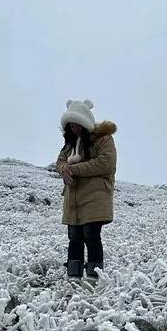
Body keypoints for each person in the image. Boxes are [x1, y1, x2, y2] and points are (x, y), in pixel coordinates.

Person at [55, 99, 117, 280]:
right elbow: (60, 161)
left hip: (95, 197)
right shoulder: (70, 144)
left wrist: (73, 169)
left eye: (76, 124)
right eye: (70, 125)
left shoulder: (103, 138)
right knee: (74, 237)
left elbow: (106, 163)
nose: (73, 128)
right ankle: (73, 276)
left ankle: (94, 277)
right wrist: (64, 169)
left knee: (91, 235)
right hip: (73, 199)